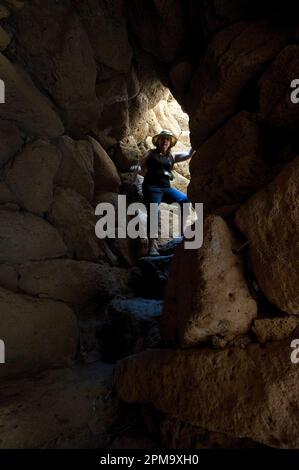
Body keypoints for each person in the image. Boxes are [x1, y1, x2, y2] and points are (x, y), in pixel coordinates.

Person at [133, 130, 195, 256]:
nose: (165, 141)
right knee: (154, 211)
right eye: (163, 139)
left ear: (170, 143)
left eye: (167, 139)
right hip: (152, 187)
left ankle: (182, 235)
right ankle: (152, 247)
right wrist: (137, 168)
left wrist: (197, 143)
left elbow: (188, 155)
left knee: (184, 200)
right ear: (158, 141)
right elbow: (140, 164)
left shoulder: (172, 156)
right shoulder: (150, 153)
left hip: (166, 188)